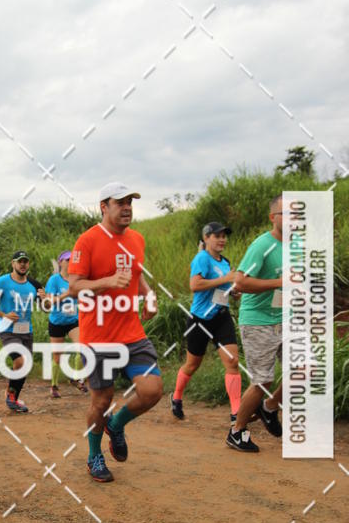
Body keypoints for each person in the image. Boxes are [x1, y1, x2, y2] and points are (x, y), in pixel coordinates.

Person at [69, 182, 162, 482]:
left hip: (132, 333)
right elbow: (74, 285)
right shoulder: (88, 240)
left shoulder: (137, 239)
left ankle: (117, 424)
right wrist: (106, 282)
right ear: (103, 207)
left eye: (130, 203)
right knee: (101, 400)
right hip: (98, 337)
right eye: (119, 202)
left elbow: (136, 275)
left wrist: (148, 294)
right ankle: (94, 454)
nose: (126, 208)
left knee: (152, 390)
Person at [226, 195, 284, 452]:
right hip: (257, 321)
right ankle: (236, 431)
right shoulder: (262, 245)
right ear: (273, 218)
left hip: (286, 318)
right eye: (287, 214)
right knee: (262, 380)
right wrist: (279, 284)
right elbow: (240, 283)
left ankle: (269, 408)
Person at [171, 222, 242, 425]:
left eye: (224, 236)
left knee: (232, 362)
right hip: (200, 320)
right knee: (193, 364)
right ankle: (176, 397)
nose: (222, 240)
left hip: (221, 316)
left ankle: (236, 413)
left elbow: (228, 288)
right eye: (217, 236)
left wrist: (235, 291)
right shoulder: (202, 258)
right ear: (206, 238)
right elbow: (195, 285)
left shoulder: (225, 262)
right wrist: (226, 279)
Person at [0, 251, 44, 413]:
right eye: (19, 261)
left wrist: (45, 299)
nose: (23, 264)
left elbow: (46, 308)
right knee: (20, 361)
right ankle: (11, 397)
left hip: (26, 330)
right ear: (13, 264)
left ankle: (12, 396)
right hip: (8, 330)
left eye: (25, 262)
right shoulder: (2, 282)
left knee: (25, 365)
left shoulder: (34, 284)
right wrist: (4, 315)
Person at [44, 251, 87, 397]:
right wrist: (67, 293)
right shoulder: (54, 280)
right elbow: (49, 301)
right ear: (61, 262)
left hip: (72, 321)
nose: (70, 262)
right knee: (57, 355)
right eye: (67, 259)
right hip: (56, 321)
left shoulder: (76, 280)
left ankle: (76, 379)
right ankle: (54, 386)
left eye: (72, 260)